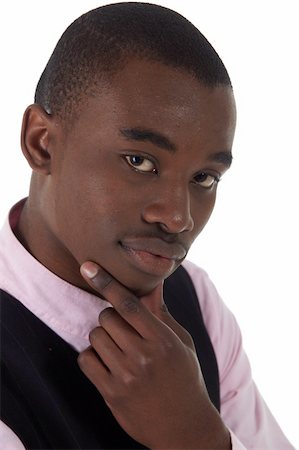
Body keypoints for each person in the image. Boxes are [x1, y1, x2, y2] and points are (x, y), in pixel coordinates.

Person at [0, 2, 294, 449]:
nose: (179, 217)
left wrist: (200, 436)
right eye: (140, 162)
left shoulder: (195, 301)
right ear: (42, 143)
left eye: (204, 178)